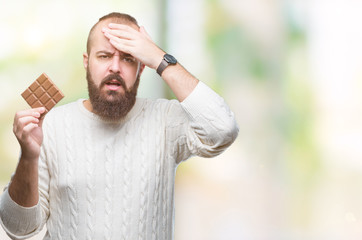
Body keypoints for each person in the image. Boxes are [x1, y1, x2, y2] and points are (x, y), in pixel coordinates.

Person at [0, 12, 238, 240]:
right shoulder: (52, 125)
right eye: (104, 56)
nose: (115, 67)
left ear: (141, 67)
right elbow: (19, 228)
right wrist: (29, 157)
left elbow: (222, 129)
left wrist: (159, 58)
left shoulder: (165, 119)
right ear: (87, 62)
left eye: (128, 58)